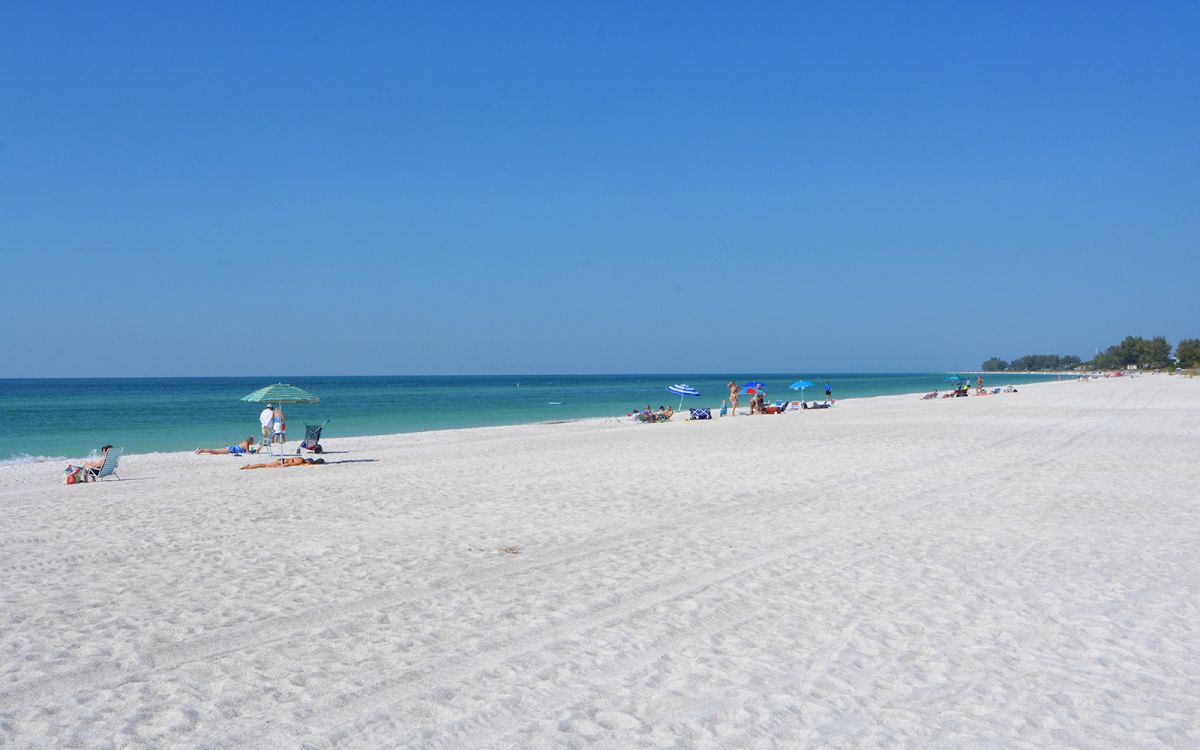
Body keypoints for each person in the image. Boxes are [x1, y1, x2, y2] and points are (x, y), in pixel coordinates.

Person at [240, 456, 325, 470]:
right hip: (283, 462)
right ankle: (249, 467)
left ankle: (249, 466)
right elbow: (289, 464)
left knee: (265, 464)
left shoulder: (300, 458)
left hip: (282, 459)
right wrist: (280, 466)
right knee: (265, 465)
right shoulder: (300, 461)